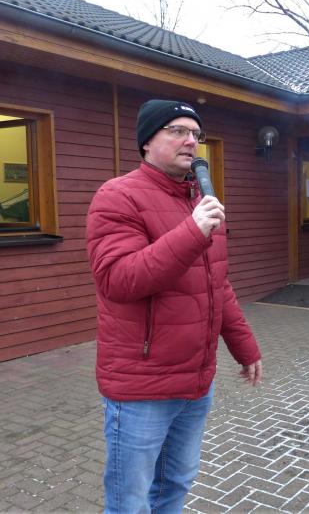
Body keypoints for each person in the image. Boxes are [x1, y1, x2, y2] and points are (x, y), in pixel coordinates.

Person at [86, 99, 263, 513]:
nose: (191, 141)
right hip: (141, 387)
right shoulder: (118, 196)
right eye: (178, 131)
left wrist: (245, 347)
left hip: (196, 381)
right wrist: (193, 231)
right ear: (147, 141)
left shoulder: (201, 201)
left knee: (175, 484)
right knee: (130, 500)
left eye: (196, 134)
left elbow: (216, 284)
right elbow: (118, 279)